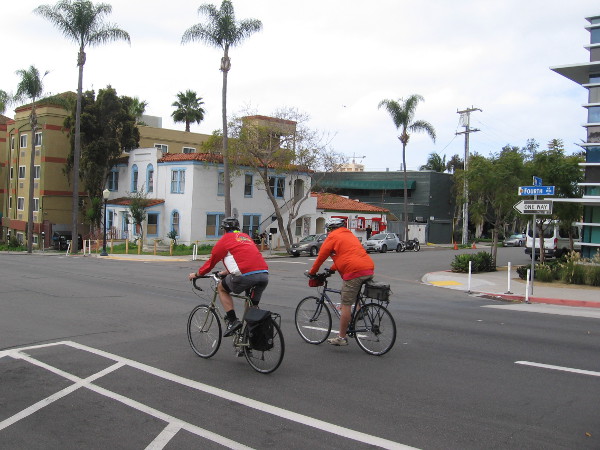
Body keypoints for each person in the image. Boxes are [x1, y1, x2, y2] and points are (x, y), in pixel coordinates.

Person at [189, 217, 269, 337]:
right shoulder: (245, 237)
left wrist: (196, 274)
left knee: (222, 288)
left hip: (244, 276)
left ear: (224, 230)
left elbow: (211, 263)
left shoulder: (225, 240)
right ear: (237, 228)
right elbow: (245, 258)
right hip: (263, 275)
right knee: (251, 302)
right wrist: (225, 272)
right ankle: (249, 335)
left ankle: (232, 321)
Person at [308, 218, 374, 346]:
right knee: (351, 293)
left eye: (328, 229)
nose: (328, 232)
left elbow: (321, 257)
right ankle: (360, 311)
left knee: (346, 303)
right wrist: (332, 269)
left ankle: (341, 337)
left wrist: (312, 272)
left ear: (331, 229)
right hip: (368, 268)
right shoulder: (350, 235)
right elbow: (347, 256)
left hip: (354, 271)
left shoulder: (333, 237)